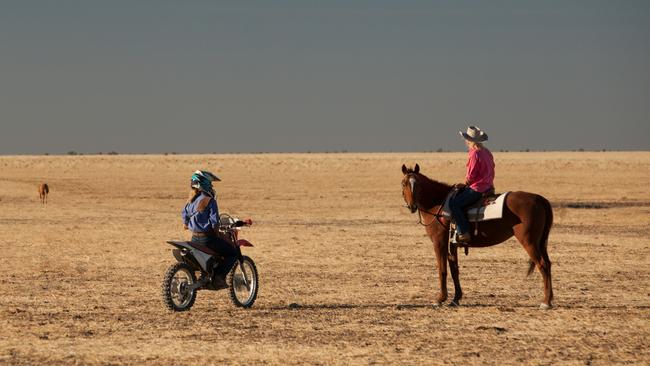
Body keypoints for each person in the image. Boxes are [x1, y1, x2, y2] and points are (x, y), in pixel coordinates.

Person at [181, 170, 238, 288]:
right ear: (205, 184)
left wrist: (189, 224)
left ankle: (206, 274)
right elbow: (214, 223)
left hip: (194, 239)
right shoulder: (209, 200)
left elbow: (185, 218)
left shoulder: (190, 201)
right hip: (207, 240)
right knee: (233, 253)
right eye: (210, 184)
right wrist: (218, 234)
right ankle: (218, 278)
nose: (212, 186)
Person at [449, 126, 495, 243]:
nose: (465, 142)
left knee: (454, 204)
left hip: (477, 188)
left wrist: (464, 184)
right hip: (489, 187)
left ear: (470, 140)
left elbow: (471, 175)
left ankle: (463, 232)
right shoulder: (487, 152)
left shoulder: (474, 154)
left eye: (466, 139)